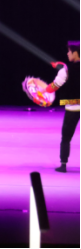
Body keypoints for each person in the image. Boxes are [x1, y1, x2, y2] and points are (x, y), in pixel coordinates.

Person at [45, 41, 80, 173]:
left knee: (66, 137)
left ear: (75, 53)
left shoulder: (66, 71)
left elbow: (53, 87)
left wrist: (41, 91)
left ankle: (63, 164)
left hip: (73, 107)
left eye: (69, 51)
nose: (67, 53)